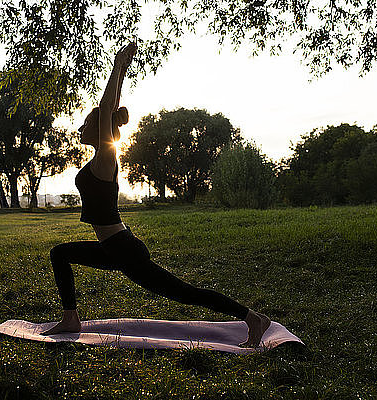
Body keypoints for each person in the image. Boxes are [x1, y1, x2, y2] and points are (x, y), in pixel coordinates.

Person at [41, 42, 271, 347]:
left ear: (100, 129)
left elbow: (108, 107)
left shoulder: (105, 158)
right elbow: (109, 110)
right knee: (60, 253)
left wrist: (117, 65)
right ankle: (71, 317)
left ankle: (252, 318)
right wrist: (122, 69)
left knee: (184, 293)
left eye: (87, 123)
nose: (81, 127)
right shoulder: (100, 158)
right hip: (112, 247)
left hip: (123, 249)